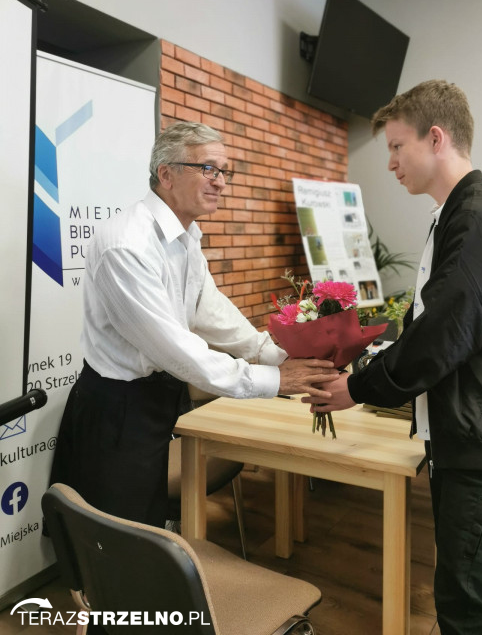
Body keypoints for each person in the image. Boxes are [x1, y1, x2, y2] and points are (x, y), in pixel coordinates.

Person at [303, 80, 482, 635]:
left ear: (436, 137)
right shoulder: (461, 212)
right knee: (466, 595)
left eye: (398, 147)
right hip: (479, 428)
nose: (391, 163)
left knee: (468, 605)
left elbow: (448, 331)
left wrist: (361, 387)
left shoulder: (477, 214)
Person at [50, 122, 339, 528]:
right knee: (119, 539)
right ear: (166, 174)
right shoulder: (127, 243)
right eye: (208, 168)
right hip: (119, 408)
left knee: (154, 524)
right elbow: (176, 350)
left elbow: (208, 309)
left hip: (158, 397)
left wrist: (271, 353)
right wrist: (275, 380)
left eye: (225, 171)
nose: (221, 182)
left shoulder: (186, 235)